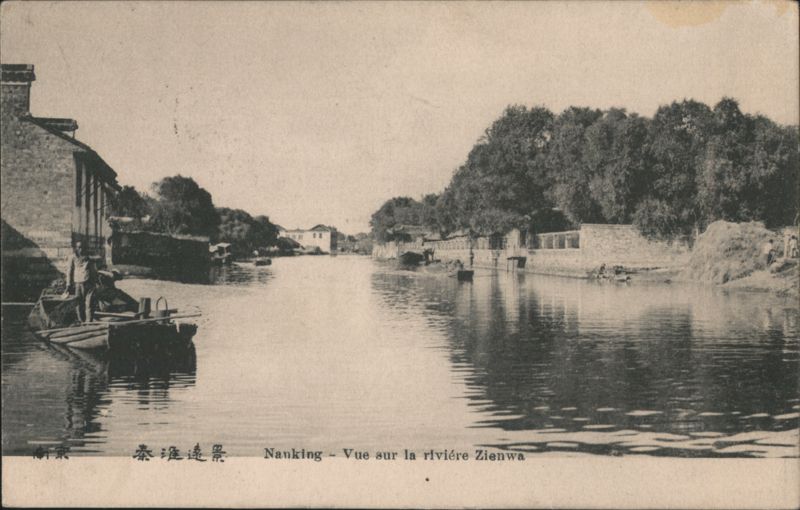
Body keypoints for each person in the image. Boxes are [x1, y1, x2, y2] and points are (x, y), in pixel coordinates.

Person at [62, 241, 98, 323]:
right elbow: (69, 271)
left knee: (89, 303)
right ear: (76, 248)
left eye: (82, 247)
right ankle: (81, 321)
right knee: (78, 303)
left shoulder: (88, 257)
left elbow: (93, 269)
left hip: (89, 283)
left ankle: (89, 322)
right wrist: (68, 285)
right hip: (78, 283)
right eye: (78, 247)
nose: (80, 249)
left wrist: (96, 281)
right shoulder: (73, 257)